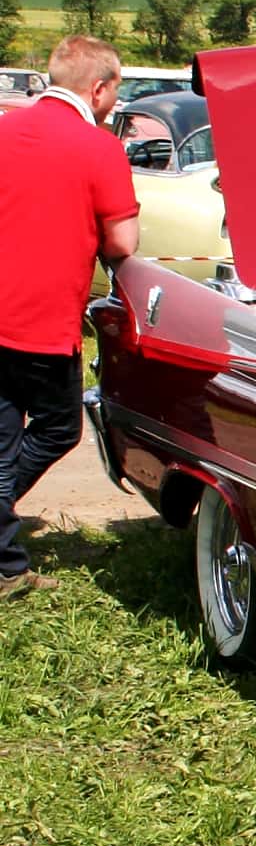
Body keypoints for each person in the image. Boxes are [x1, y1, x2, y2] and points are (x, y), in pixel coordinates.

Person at [0, 35, 140, 598]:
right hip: (39, 317)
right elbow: (123, 243)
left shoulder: (5, 129)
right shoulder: (99, 147)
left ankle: (5, 558)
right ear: (99, 88)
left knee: (2, 440)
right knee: (59, 426)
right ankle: (5, 563)